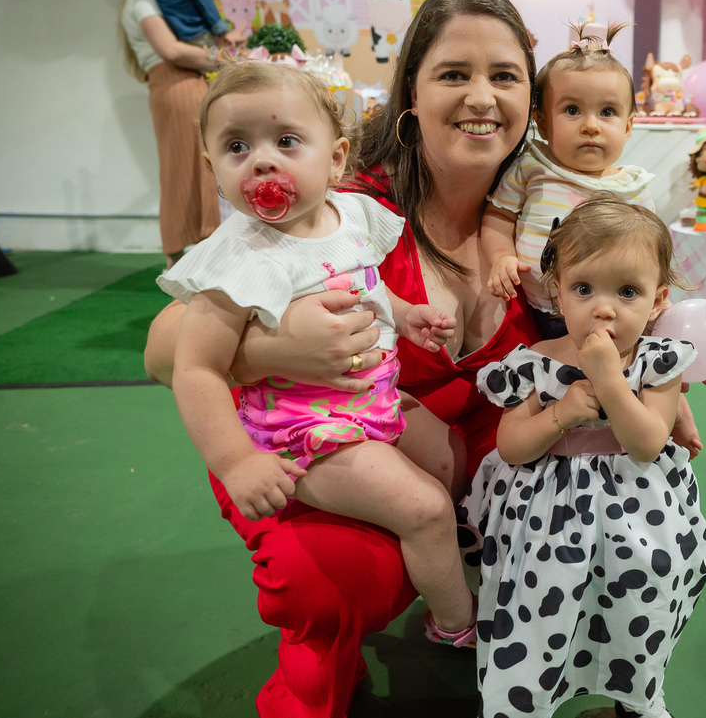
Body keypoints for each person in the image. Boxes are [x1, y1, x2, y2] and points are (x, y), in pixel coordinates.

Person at [145, 0, 703, 717]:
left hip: (448, 438)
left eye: (503, 76)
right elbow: (164, 349)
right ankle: (324, 659)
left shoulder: (553, 215)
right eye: (453, 74)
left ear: (531, 103)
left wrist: (669, 385)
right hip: (322, 436)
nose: (481, 96)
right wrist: (275, 348)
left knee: (597, 510)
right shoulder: (341, 206)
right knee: (335, 576)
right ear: (410, 90)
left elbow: (622, 306)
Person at [157, 61, 476, 645]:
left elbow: (368, 286)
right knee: (427, 507)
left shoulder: (349, 214)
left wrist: (406, 316)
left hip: (375, 397)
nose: (262, 161)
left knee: (450, 459)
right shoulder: (237, 258)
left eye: (285, 141)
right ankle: (458, 625)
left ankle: (434, 555)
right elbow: (195, 368)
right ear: (212, 168)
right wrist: (236, 463)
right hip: (306, 430)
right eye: (236, 146)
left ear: (334, 159)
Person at [466, 192, 706, 718]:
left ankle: (634, 700)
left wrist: (606, 376)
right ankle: (522, 704)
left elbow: (646, 443)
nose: (604, 308)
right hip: (547, 524)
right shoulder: (534, 361)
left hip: (637, 521)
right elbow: (510, 446)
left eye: (627, 291)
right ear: (557, 293)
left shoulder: (659, 362)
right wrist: (560, 416)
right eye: (584, 288)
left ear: (658, 299)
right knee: (538, 619)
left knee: (633, 609)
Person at [482, 22, 653, 337]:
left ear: (628, 128)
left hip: (609, 317)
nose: (591, 125)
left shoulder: (633, 188)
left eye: (607, 112)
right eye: (572, 110)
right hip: (536, 314)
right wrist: (501, 256)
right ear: (543, 124)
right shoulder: (532, 167)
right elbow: (497, 216)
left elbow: (652, 252)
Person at [118, 0, 221, 270]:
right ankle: (184, 256)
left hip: (180, 83)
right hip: (177, 83)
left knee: (190, 166)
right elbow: (173, 51)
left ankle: (186, 255)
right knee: (191, 168)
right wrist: (224, 59)